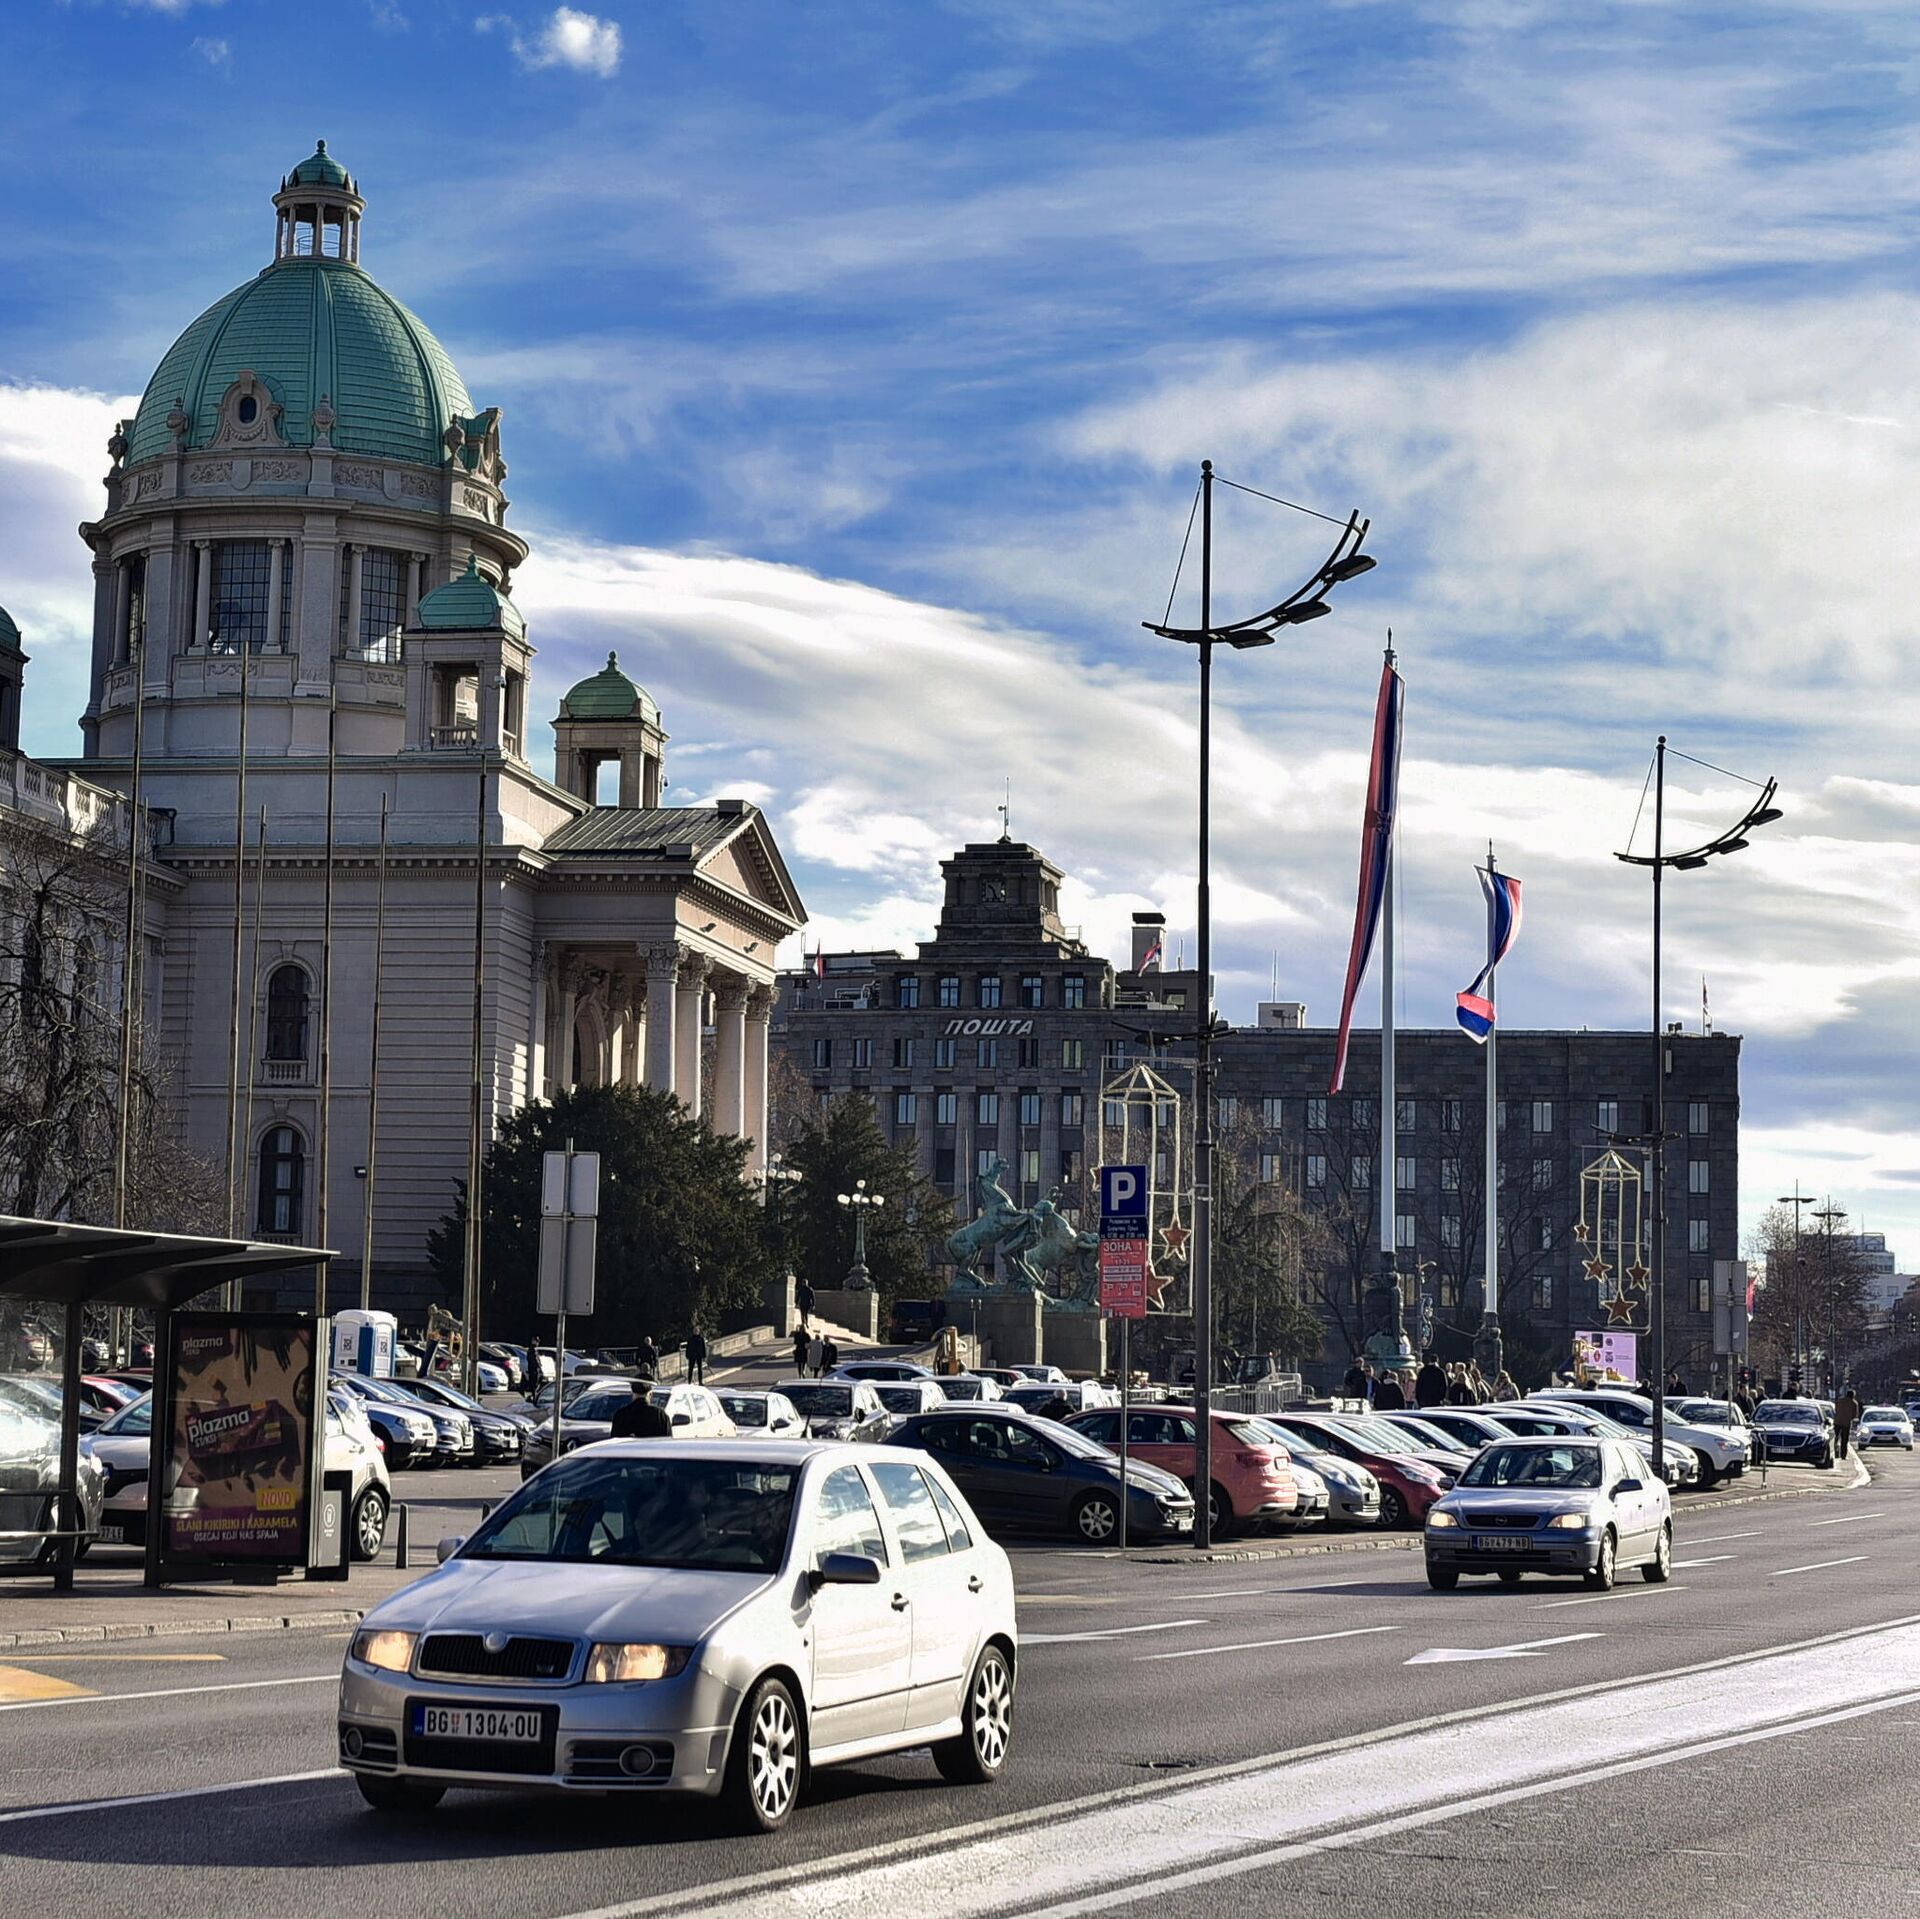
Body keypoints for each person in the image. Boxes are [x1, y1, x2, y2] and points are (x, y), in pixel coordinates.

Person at [609, 1390, 673, 1439]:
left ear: (632, 1393)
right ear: (650, 1394)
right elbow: (667, 1442)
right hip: (654, 1452)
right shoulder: (661, 1415)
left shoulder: (621, 1415)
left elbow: (614, 1442)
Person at [1835, 1384, 1861, 1458]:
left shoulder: (1840, 1401)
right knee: (1844, 1440)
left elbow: (1835, 1409)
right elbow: (1855, 1414)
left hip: (1837, 1422)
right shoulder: (1854, 1403)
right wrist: (1849, 1418)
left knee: (1836, 1438)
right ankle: (1843, 1455)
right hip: (1846, 1423)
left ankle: (1835, 1453)